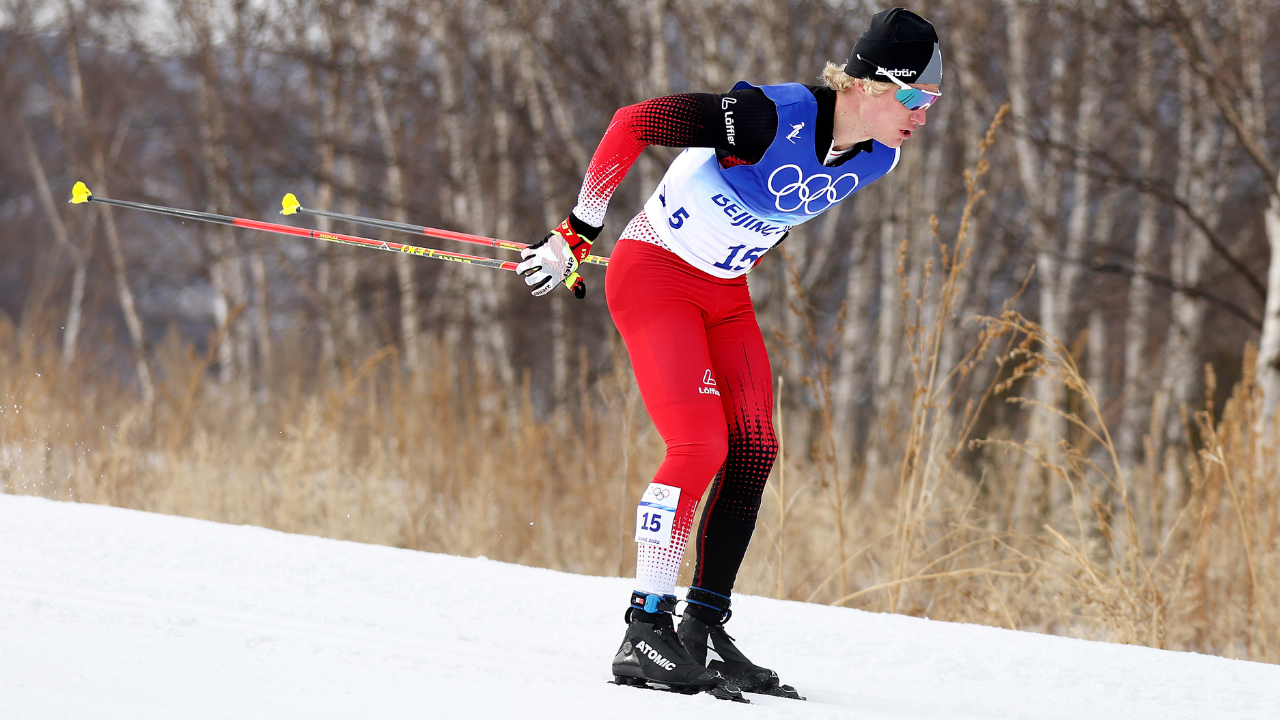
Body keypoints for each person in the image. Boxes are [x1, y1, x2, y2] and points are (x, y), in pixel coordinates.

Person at [516, 7, 943, 700]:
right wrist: (578, 228)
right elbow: (633, 122)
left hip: (722, 292)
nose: (923, 114)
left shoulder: (878, 158)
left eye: (933, 100)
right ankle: (642, 630)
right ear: (868, 83)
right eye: (915, 96)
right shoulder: (769, 115)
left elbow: (772, 213)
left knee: (754, 448)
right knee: (698, 445)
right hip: (655, 276)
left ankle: (699, 628)